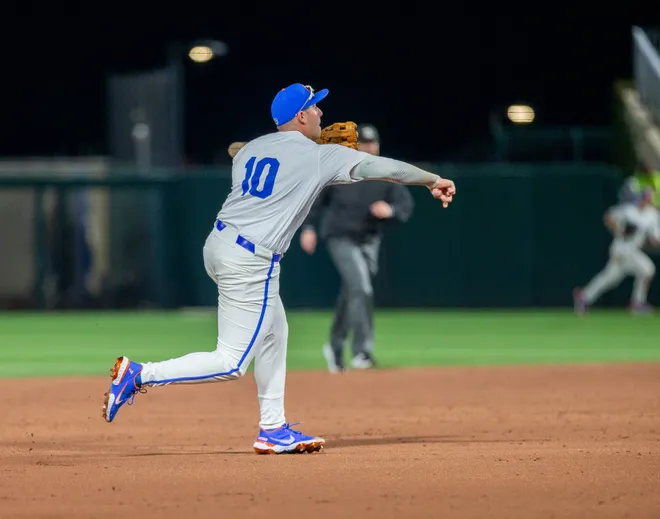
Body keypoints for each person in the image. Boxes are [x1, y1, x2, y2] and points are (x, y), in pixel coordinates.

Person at [101, 83, 456, 455]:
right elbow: (386, 169)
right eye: (315, 108)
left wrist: (306, 152)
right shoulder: (322, 156)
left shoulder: (251, 149)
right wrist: (433, 179)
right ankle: (139, 374)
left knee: (275, 333)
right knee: (231, 361)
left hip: (221, 244)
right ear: (300, 116)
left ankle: (273, 428)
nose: (322, 113)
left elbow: (258, 163)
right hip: (249, 260)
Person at [299, 123, 414, 373]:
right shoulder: (341, 170)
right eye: (363, 142)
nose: (368, 147)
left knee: (354, 292)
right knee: (361, 287)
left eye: (372, 143)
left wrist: (391, 210)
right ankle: (362, 352)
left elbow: (404, 205)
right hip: (340, 236)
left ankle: (335, 346)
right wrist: (308, 227)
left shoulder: (387, 171)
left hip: (370, 240)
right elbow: (315, 201)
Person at [573, 187, 660, 315]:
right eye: (644, 197)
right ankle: (637, 303)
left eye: (648, 198)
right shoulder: (629, 210)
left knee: (610, 278)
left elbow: (655, 238)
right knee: (648, 270)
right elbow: (608, 217)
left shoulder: (652, 214)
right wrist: (619, 231)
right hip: (621, 247)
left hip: (631, 249)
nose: (646, 200)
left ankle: (584, 297)